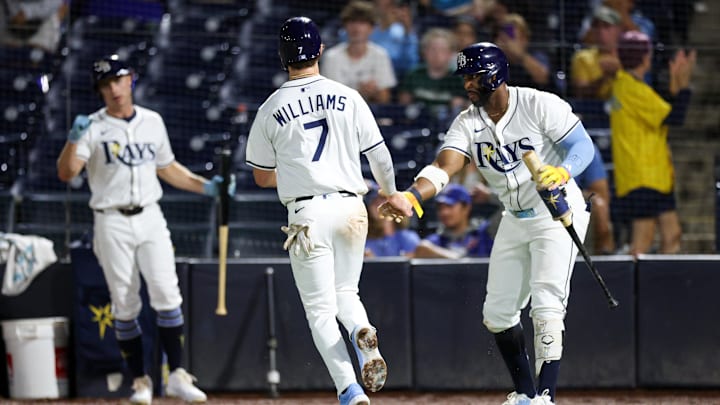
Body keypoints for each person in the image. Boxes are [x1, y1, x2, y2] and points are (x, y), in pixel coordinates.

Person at [379, 42, 595, 405]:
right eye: (465, 77)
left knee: (546, 305)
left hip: (554, 212)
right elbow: (445, 166)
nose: (467, 84)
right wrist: (413, 195)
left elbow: (583, 146)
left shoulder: (538, 104)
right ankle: (525, 393)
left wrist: (563, 171)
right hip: (514, 217)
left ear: (495, 75)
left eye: (473, 76)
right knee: (497, 313)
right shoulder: (468, 122)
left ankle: (545, 396)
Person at [245, 17, 412, 405]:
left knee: (320, 311)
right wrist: (390, 193)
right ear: (319, 50)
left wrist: (291, 173)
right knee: (346, 292)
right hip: (353, 207)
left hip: (307, 214)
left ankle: (349, 390)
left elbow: (260, 177)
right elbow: (380, 155)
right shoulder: (347, 95)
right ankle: (360, 330)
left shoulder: (271, 107)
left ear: (283, 57)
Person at [55, 55, 227, 404]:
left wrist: (206, 186)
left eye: (118, 80)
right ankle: (140, 382)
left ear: (130, 79)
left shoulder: (152, 121)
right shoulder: (92, 125)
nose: (114, 89)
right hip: (111, 219)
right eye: (106, 84)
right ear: (100, 90)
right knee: (124, 301)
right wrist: (73, 140)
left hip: (150, 215)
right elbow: (67, 173)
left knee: (167, 293)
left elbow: (166, 167)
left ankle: (177, 374)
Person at [609, 30, 695, 256]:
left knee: (672, 235)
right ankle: (629, 290)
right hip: (641, 178)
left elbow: (660, 111)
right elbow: (674, 118)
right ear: (645, 57)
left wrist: (675, 86)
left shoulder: (630, 87)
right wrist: (684, 85)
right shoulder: (630, 87)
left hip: (656, 177)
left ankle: (659, 289)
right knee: (642, 243)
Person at [322, 1, 397, 104]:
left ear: (371, 28)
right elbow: (330, 98)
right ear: (345, 26)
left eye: (362, 23)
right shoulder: (331, 57)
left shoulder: (380, 55)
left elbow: (385, 98)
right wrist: (359, 91)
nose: (356, 28)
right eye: (352, 22)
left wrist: (374, 92)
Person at [413, 183, 494, 258]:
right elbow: (422, 250)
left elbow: (505, 209)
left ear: (466, 208)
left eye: (449, 206)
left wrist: (490, 196)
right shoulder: (434, 242)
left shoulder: (484, 233)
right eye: (440, 208)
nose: (444, 212)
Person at [397, 28, 466, 112]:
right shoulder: (414, 74)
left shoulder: (457, 79)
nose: (437, 54)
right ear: (424, 52)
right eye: (432, 49)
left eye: (442, 50)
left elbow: (458, 110)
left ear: (451, 54)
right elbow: (404, 106)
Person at [570, 5, 623, 100]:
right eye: (596, 26)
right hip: (593, 111)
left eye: (606, 26)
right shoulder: (582, 57)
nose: (600, 31)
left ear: (618, 30)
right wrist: (604, 78)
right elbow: (580, 93)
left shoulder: (628, 57)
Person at [493, 13, 553, 91]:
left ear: (524, 40)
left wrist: (520, 55)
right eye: (503, 38)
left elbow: (543, 78)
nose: (506, 42)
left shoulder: (537, 55)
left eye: (511, 37)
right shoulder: (496, 59)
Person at [573, 145, 616, 254]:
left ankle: (604, 259)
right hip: (536, 200)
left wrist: (573, 196)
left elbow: (601, 193)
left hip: (573, 199)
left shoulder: (583, 146)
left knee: (599, 205)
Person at [364, 180, 420, 257]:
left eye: (383, 199)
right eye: (374, 201)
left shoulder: (408, 238)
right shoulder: (364, 241)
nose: (379, 204)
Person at [370, 0, 420, 79]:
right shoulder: (366, 29)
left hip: (398, 76)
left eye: (389, 5)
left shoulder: (403, 31)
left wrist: (407, 31)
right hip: (369, 73)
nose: (386, 10)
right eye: (381, 5)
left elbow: (411, 63)